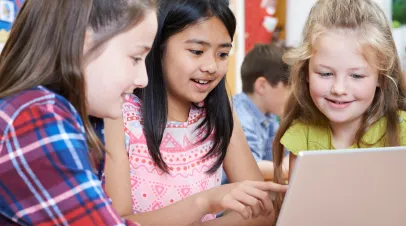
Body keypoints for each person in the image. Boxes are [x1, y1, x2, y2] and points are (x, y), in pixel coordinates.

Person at [103, 0, 287, 225]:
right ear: (157, 47)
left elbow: (262, 211)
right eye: (197, 51)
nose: (211, 66)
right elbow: (116, 222)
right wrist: (203, 202)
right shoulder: (119, 111)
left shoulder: (217, 112)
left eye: (222, 54)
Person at [0, 0, 157, 225]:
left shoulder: (69, 115)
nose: (143, 79)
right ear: (83, 44)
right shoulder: (38, 118)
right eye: (135, 58)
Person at [272, 0, 406, 217]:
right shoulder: (301, 136)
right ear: (306, 73)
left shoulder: (402, 130)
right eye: (325, 74)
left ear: (380, 77)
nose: (339, 89)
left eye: (356, 76)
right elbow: (302, 215)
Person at [224, 43, 290, 184]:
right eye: (288, 88)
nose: (292, 97)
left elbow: (279, 157)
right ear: (262, 86)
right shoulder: (239, 116)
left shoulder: (269, 117)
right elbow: (249, 168)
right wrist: (285, 169)